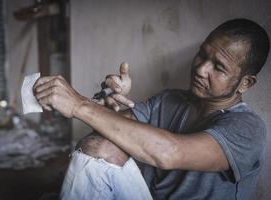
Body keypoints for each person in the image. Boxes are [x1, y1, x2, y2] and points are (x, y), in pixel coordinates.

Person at [33, 18, 270, 200]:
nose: (201, 69)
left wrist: (79, 104)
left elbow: (170, 153)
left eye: (218, 67)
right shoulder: (169, 100)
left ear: (245, 83)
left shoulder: (248, 128)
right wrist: (109, 105)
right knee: (97, 145)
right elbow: (108, 136)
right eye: (202, 54)